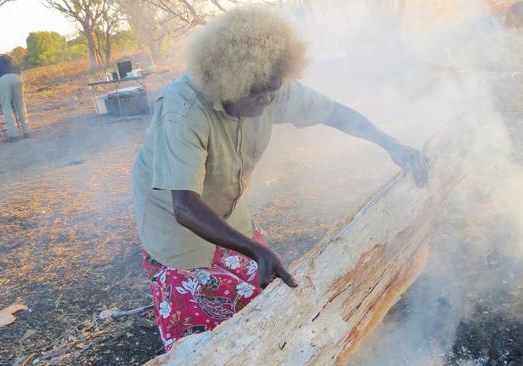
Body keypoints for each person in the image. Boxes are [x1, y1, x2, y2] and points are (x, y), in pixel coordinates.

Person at [132, 5, 428, 352]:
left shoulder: (269, 85)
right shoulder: (184, 110)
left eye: (273, 90)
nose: (268, 100)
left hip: (228, 211)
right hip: (177, 229)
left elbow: (333, 112)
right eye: (258, 92)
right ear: (230, 83)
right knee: (209, 338)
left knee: (261, 298)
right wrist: (256, 248)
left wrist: (390, 143)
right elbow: (183, 207)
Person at [0, 51, 30, 142]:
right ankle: (26, 131)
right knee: (20, 104)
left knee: (6, 107)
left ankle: (13, 135)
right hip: (17, 77)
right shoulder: (6, 56)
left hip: (2, 80)